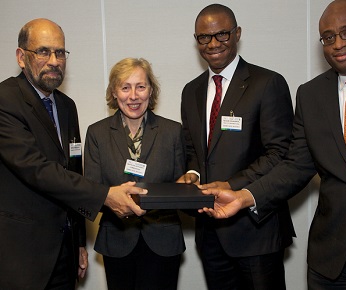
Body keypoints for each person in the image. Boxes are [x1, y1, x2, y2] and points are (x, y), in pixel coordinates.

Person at [201, 0, 346, 289]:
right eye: (328, 37)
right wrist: (244, 196)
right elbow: (295, 165)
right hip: (332, 259)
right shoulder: (311, 95)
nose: (338, 44)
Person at [0, 19, 146, 290]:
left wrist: (79, 241)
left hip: (64, 254)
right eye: (43, 51)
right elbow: (37, 169)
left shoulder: (66, 106)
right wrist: (105, 195)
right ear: (21, 57)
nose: (54, 60)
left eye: (60, 52)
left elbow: (72, 172)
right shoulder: (5, 100)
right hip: (22, 256)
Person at [178, 4, 295, 289]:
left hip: (257, 231)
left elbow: (281, 153)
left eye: (222, 34)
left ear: (237, 34)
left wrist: (231, 185)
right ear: (196, 41)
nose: (213, 43)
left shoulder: (267, 83)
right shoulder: (191, 91)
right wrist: (192, 176)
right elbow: (195, 152)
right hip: (210, 234)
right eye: (204, 37)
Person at [84, 57, 186, 290]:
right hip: (117, 240)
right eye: (125, 87)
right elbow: (91, 190)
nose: (133, 96)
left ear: (151, 90)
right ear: (114, 92)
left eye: (140, 86)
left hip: (163, 240)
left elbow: (181, 187)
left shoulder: (172, 132)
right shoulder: (97, 133)